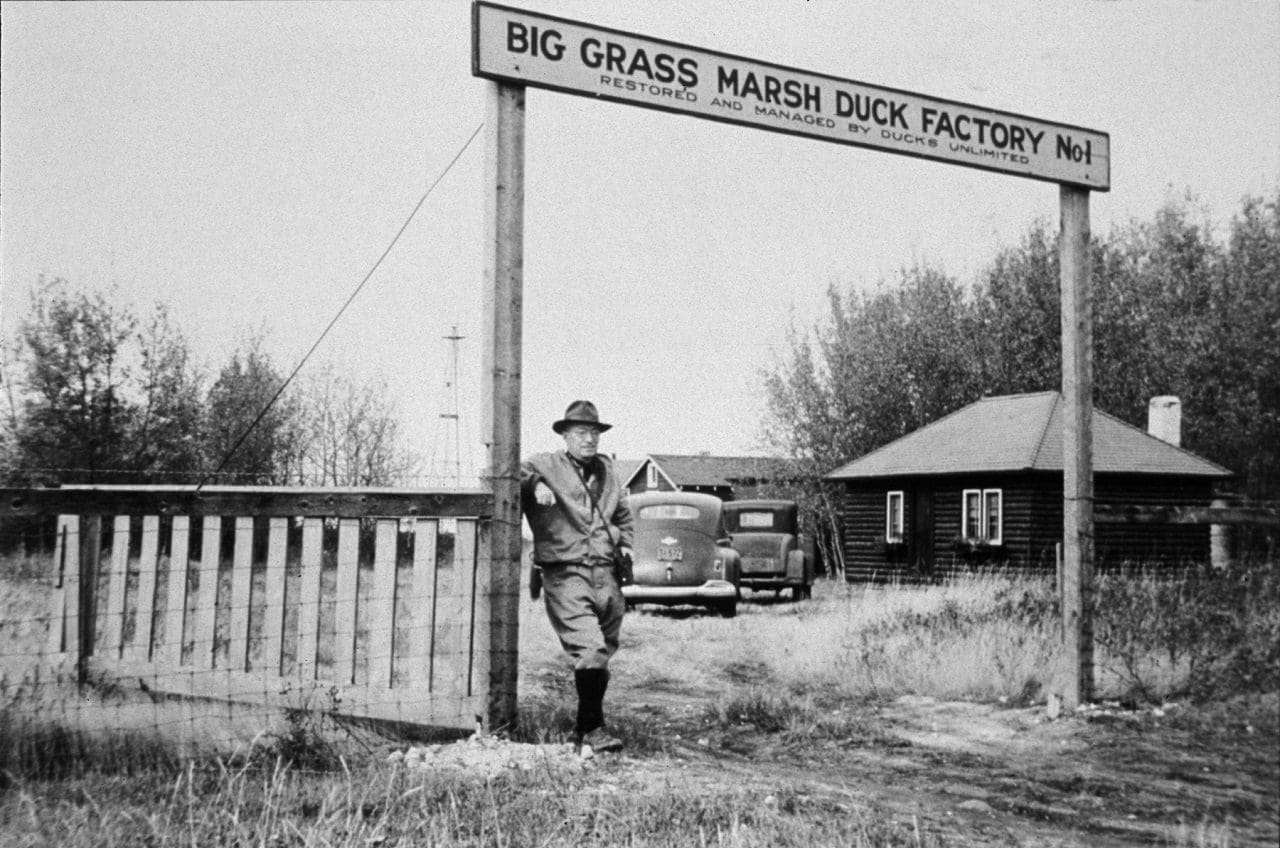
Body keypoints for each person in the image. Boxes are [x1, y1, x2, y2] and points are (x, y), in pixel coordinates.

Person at [521, 400, 633, 754]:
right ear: (565, 436)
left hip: (606, 572)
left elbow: (625, 516)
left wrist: (625, 545)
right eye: (581, 432)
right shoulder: (545, 464)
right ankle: (594, 730)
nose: (589, 439)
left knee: (604, 650)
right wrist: (536, 483)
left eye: (594, 432)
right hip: (565, 571)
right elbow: (506, 471)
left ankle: (584, 727)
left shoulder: (609, 472)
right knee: (590, 648)